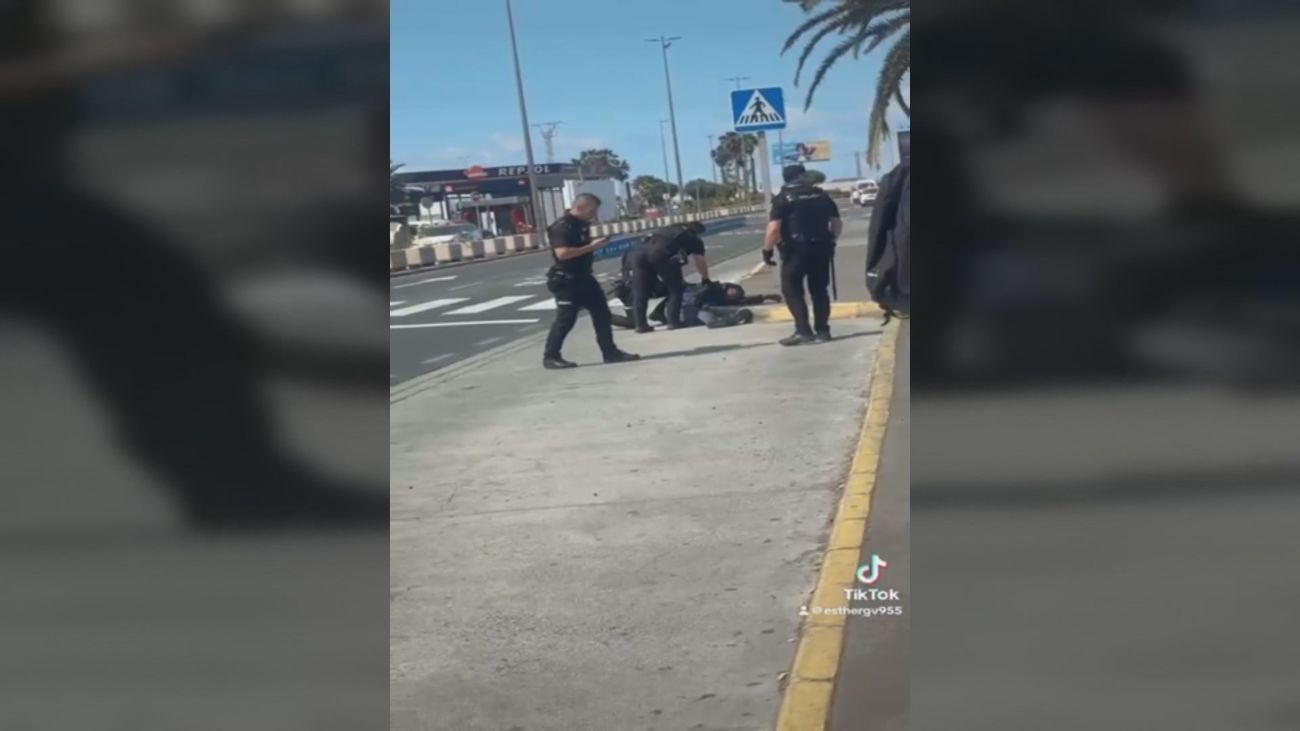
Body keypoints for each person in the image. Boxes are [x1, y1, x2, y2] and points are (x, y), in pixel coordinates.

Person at [542, 193, 640, 369]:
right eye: (592, 211)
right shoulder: (563, 226)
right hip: (566, 280)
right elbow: (562, 253)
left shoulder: (581, 225)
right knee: (566, 319)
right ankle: (550, 356)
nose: (594, 215)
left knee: (602, 314)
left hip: (584, 277)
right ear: (580, 207)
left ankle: (610, 352)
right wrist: (593, 246)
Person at [763, 164, 842, 345]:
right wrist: (831, 240)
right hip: (821, 248)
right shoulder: (821, 195)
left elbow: (774, 229)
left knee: (792, 289)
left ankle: (803, 331)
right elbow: (836, 222)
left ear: (785, 178)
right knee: (820, 290)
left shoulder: (783, 199)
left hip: (795, 251)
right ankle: (822, 331)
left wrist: (767, 250)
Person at [625, 221, 712, 332]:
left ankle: (641, 325)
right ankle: (673, 322)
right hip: (661, 255)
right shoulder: (694, 240)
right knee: (675, 289)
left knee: (641, 292)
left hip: (639, 255)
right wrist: (705, 278)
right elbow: (700, 262)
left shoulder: (669, 228)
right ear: (697, 232)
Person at [608, 278, 780, 330]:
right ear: (727, 287)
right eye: (734, 291)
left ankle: (607, 317)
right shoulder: (709, 289)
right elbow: (691, 297)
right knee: (705, 311)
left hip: (677, 310)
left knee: (709, 309)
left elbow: (745, 299)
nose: (734, 295)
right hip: (684, 308)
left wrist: (765, 296)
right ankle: (718, 322)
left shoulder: (722, 298)